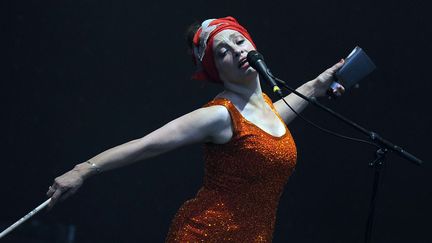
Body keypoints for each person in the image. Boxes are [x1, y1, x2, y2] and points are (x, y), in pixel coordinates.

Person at [47, 16, 345, 242]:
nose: (237, 51)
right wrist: (83, 169)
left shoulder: (265, 109)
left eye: (239, 41)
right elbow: (147, 144)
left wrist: (316, 87)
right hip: (205, 236)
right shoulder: (218, 115)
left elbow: (277, 116)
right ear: (217, 70)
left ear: (253, 45)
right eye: (223, 52)